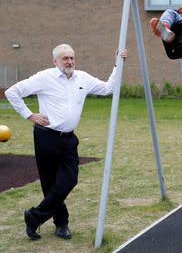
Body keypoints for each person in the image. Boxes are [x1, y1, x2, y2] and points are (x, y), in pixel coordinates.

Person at [5, 44, 127, 240]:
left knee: (69, 179)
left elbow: (108, 89)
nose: (70, 61)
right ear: (55, 61)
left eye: (71, 58)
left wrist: (117, 65)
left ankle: (34, 216)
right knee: (49, 184)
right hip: (45, 137)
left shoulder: (83, 78)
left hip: (69, 139)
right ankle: (61, 223)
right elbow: (12, 92)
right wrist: (30, 115)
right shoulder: (44, 78)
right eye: (65, 59)